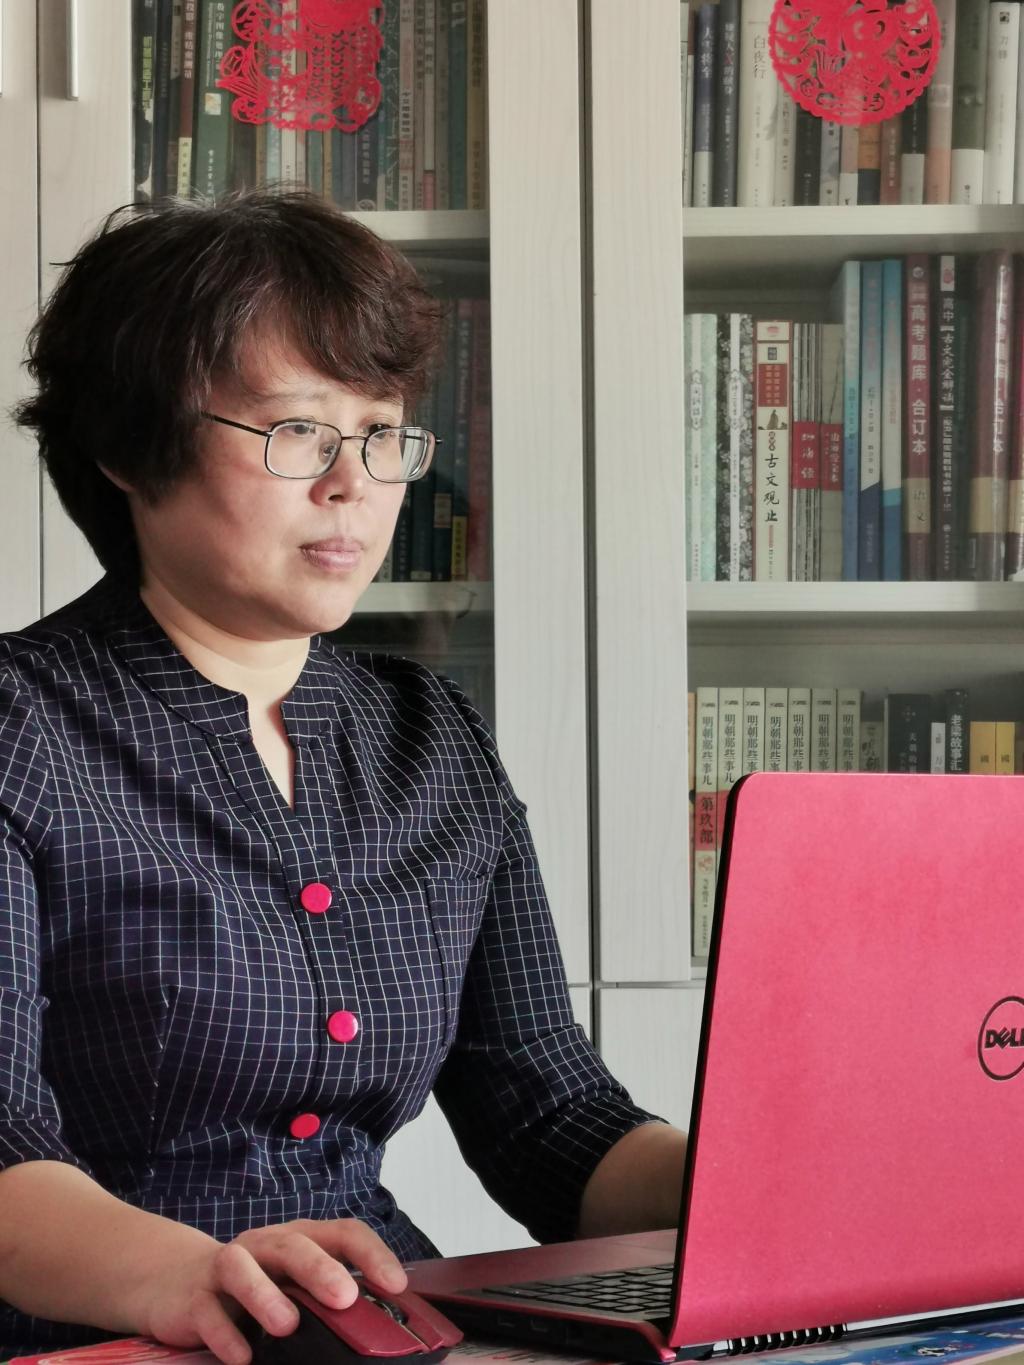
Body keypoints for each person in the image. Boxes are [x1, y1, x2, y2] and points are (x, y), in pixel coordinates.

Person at [0, 190, 687, 1365]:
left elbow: (548, 1113)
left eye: (381, 434)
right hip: (98, 1335)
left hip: (377, 1327)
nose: (352, 484)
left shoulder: (429, 734)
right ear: (126, 447)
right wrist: (190, 1274)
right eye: (298, 433)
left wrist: (764, 1186)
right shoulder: (24, 724)